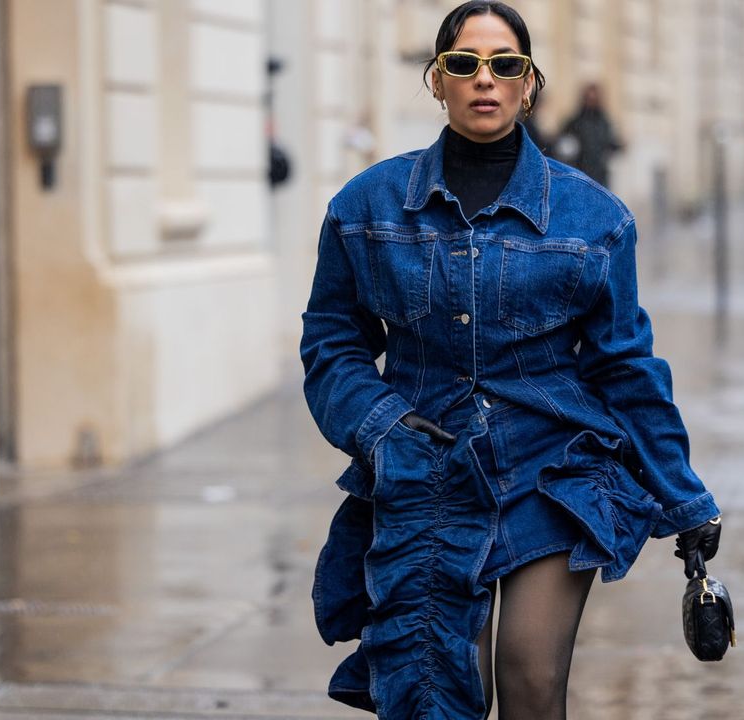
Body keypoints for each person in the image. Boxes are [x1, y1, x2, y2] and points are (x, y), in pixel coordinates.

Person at [300, 2, 722, 719]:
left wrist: (683, 495)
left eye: (506, 65)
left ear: (531, 84)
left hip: (554, 470)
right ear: (437, 81)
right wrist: (382, 425)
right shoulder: (365, 208)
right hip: (425, 473)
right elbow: (331, 343)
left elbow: (625, 366)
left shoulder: (596, 219)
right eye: (463, 64)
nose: (484, 80)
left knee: (530, 679)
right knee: (440, 695)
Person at [558, 82, 623, 188]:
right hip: (579, 172)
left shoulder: (604, 122)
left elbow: (609, 143)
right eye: (589, 98)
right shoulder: (575, 121)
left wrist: (618, 146)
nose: (591, 101)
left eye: (594, 98)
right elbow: (563, 144)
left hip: (599, 174)